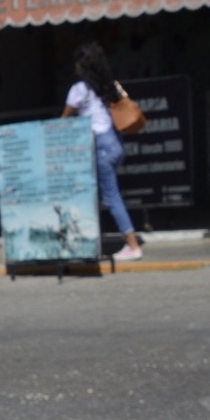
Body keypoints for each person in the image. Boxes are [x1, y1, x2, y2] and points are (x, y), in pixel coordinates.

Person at [60, 41, 144, 263]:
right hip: (115, 144)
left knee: (111, 197)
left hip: (100, 147)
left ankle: (133, 246)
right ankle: (89, 239)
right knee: (96, 194)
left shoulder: (79, 90)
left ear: (82, 65)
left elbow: (64, 120)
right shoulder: (108, 87)